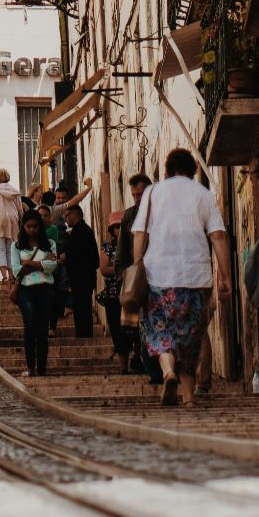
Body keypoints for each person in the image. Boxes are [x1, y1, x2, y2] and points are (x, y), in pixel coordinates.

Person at [128, 150, 232, 406]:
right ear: (193, 171)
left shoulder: (153, 193)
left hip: (158, 276)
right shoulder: (204, 194)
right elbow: (218, 236)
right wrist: (226, 276)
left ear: (166, 170)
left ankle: (168, 372)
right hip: (196, 278)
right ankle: (188, 397)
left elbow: (140, 234)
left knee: (159, 330)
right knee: (190, 338)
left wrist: (136, 265)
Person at [102, 174, 153, 373]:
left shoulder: (161, 211)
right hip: (137, 278)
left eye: (141, 194)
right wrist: (125, 274)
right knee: (136, 323)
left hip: (160, 274)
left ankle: (153, 366)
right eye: (134, 195)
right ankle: (143, 362)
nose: (138, 198)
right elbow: (121, 251)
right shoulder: (129, 216)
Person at [12, 210, 61, 378]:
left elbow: (52, 266)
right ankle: (30, 367)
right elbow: (16, 270)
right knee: (30, 326)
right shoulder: (16, 246)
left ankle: (41, 368)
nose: (32, 230)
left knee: (42, 330)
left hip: (45, 289)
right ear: (23, 227)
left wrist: (29, 263)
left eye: (35, 226)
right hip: (26, 290)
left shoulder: (50, 244)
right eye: (29, 226)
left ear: (40, 227)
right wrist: (41, 263)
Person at [59, 204, 101, 339]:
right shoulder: (82, 230)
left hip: (81, 277)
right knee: (82, 307)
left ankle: (84, 334)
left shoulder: (80, 231)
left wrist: (66, 256)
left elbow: (82, 254)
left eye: (67, 215)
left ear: (74, 215)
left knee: (82, 307)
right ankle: (84, 333)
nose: (65, 219)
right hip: (83, 277)